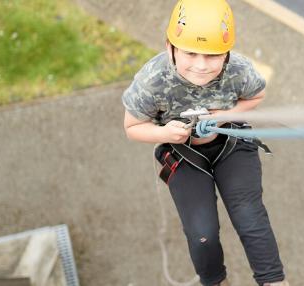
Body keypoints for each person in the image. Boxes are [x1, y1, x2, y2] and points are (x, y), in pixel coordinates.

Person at [121, 0, 286, 285]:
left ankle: (274, 281)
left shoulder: (238, 70)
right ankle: (213, 280)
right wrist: (165, 134)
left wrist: (224, 116)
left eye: (212, 56)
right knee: (202, 234)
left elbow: (256, 97)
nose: (201, 66)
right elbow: (133, 127)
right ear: (169, 46)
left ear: (227, 52)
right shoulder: (152, 80)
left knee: (250, 217)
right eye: (190, 53)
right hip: (183, 154)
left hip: (231, 143)